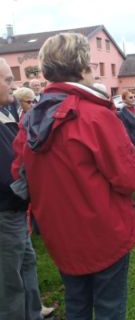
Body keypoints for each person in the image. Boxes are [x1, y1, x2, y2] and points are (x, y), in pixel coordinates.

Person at [12, 33, 135, 319]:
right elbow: (133, 178)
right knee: (110, 308)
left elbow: (19, 174)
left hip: (60, 234)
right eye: (91, 64)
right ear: (83, 67)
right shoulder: (95, 115)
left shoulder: (31, 118)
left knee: (77, 304)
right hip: (105, 232)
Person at [0, 58, 43, 320]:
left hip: (15, 211)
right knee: (9, 284)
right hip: (5, 214)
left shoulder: (5, 113)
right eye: (7, 80)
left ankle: (34, 314)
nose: (13, 85)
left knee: (27, 266)